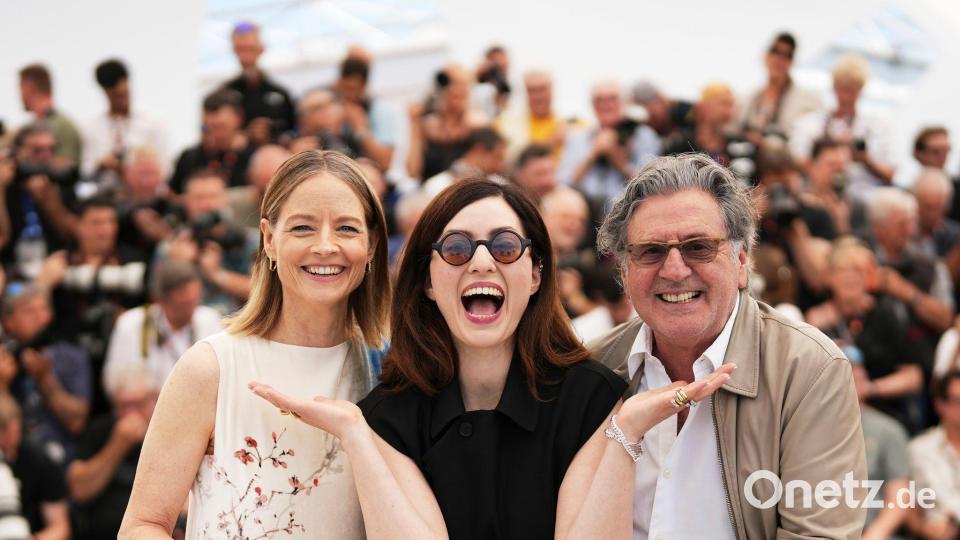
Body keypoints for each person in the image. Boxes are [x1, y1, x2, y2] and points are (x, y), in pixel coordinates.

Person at [248, 177, 732, 538]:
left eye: (504, 247)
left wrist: (625, 431)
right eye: (456, 249)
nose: (482, 261)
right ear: (430, 283)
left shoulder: (591, 398)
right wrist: (355, 433)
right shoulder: (387, 416)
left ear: (537, 274)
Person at [590, 154, 867, 538]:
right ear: (624, 271)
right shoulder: (593, 366)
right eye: (650, 251)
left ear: (741, 261)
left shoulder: (809, 370)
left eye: (698, 247)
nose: (673, 270)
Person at [120, 150, 390, 538]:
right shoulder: (211, 367)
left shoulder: (390, 369)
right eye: (302, 228)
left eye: (347, 228)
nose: (326, 246)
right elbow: (142, 525)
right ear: (269, 240)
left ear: (373, 243)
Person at [805, 238, 923, 432]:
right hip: (827, 413)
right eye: (843, 271)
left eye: (858, 272)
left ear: (869, 278)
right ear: (829, 277)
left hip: (881, 413)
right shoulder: (814, 318)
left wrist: (870, 388)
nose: (850, 278)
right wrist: (810, 327)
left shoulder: (886, 314)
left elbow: (913, 377)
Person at [68, 364, 161, 540]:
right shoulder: (101, 430)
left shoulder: (170, 432)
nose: (130, 414)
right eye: (123, 406)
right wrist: (118, 444)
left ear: (156, 400)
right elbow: (79, 489)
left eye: (138, 404)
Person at [0, 284, 91, 465]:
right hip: (12, 456)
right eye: (29, 311)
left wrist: (45, 378)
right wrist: (2, 385)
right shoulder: (4, 357)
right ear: (8, 320)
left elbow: (77, 422)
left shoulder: (72, 357)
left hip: (60, 458)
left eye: (44, 309)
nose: (40, 318)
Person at [102, 261, 223, 393]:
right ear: (160, 300)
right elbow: (114, 383)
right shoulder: (131, 324)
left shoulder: (210, 319)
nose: (191, 311)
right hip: (146, 408)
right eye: (184, 304)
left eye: (195, 301)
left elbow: (222, 377)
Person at [790, 53, 895, 204]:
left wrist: (865, 160)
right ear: (834, 86)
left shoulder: (877, 126)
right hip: (817, 199)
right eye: (842, 88)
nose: (846, 97)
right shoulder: (810, 124)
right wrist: (828, 153)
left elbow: (890, 172)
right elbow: (796, 160)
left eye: (852, 90)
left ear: (861, 89)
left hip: (863, 199)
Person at [155, 169, 258, 314]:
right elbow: (156, 300)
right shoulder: (172, 246)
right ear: (186, 202)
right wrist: (178, 267)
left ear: (225, 199)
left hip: (238, 326)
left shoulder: (252, 240)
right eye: (199, 198)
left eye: (213, 197)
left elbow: (267, 293)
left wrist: (217, 274)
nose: (207, 205)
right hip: (191, 327)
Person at [557, 80, 660, 203]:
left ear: (625, 102)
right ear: (592, 106)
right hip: (587, 211)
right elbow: (562, 186)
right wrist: (592, 154)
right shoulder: (577, 138)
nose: (606, 105)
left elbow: (652, 186)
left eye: (612, 99)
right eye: (599, 100)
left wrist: (621, 162)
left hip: (628, 208)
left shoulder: (644, 136)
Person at [81, 59, 167, 189]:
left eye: (124, 94)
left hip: (144, 194)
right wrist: (101, 166)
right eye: (115, 96)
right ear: (105, 93)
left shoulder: (153, 124)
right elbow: (85, 172)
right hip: (106, 194)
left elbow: (165, 167)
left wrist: (134, 169)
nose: (121, 100)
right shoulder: (91, 127)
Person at [0, 393, 70, 539]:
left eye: (15, 433)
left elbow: (60, 527)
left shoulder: (39, 460)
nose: (10, 441)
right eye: (3, 431)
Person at [406, 65, 489, 181]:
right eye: (448, 83)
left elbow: (483, 168)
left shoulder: (478, 124)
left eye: (460, 84)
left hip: (465, 191)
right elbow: (413, 171)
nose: (453, 89)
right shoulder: (428, 125)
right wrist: (414, 124)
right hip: (432, 192)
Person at [662, 83, 757, 183]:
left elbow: (753, 182)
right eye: (724, 104)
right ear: (705, 106)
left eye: (731, 105)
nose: (729, 111)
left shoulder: (740, 145)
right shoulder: (680, 144)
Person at [738, 32, 821, 146]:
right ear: (765, 56)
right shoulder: (747, 99)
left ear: (792, 62)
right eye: (775, 52)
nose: (779, 60)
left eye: (787, 55)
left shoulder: (809, 103)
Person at [168, 88, 256, 193]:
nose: (216, 132)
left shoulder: (256, 156)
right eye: (211, 126)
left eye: (221, 126)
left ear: (239, 118)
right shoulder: (190, 157)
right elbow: (173, 194)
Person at [223, 22, 297, 145]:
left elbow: (294, 128)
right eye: (241, 49)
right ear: (234, 50)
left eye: (251, 48)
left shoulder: (280, 92)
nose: (246, 55)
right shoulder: (226, 94)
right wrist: (245, 134)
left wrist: (273, 132)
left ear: (261, 49)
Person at [907, 370, 960, 538]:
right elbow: (908, 511)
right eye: (958, 401)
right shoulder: (919, 450)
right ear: (940, 405)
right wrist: (924, 529)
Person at [335, 56, 397, 171]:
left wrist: (360, 129)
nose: (349, 95)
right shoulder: (335, 107)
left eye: (353, 89)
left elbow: (386, 163)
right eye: (345, 88)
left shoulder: (380, 110)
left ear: (364, 86)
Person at [18, 64, 82, 166]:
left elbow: (67, 167)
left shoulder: (62, 125)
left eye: (21, 89)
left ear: (30, 88)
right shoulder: (29, 126)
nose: (19, 96)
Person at [496, 70, 568, 160]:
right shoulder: (505, 125)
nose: (538, 96)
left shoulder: (571, 123)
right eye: (532, 91)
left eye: (542, 89)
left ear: (552, 90)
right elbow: (508, 161)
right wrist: (549, 143)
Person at [421, 127, 507, 197]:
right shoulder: (436, 185)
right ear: (479, 150)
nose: (501, 165)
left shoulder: (500, 184)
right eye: (498, 157)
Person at [229, 144, 290, 230]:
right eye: (263, 191)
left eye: (277, 189)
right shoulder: (230, 203)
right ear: (250, 178)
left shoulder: (298, 207)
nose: (269, 197)